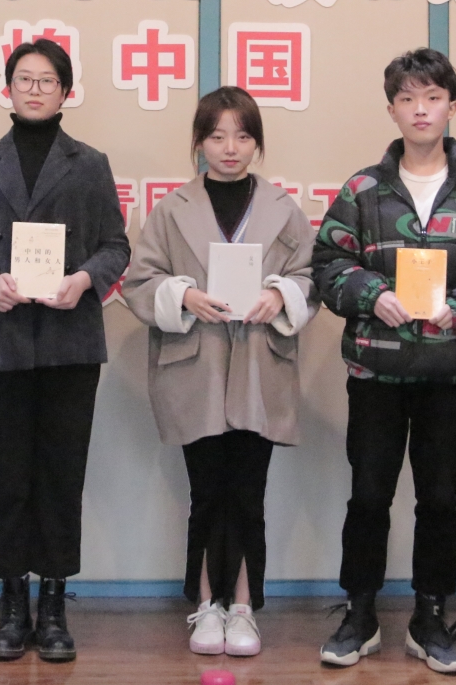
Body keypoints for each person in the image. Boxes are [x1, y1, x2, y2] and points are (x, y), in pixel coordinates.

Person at [312, 47, 456, 674]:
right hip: (375, 372)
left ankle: (431, 616)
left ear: (452, 106)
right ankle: (359, 612)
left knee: (440, 498)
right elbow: (328, 263)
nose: (421, 110)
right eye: (407, 99)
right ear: (392, 110)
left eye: (432, 97)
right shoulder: (363, 189)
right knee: (367, 495)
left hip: (450, 372)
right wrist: (371, 295)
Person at [0, 38, 130, 663]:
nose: (35, 89)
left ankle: (53, 603)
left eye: (48, 80)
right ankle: (12, 602)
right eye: (25, 78)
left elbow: (116, 246)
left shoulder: (91, 163)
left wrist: (85, 280)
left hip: (68, 343)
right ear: (8, 87)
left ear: (65, 91)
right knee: (7, 476)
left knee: (60, 475)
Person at [126, 86, 317, 657]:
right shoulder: (171, 210)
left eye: (243, 135)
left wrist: (279, 295)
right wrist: (184, 296)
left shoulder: (283, 209)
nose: (230, 148)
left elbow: (311, 277)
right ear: (200, 142)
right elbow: (139, 281)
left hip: (260, 365)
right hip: (197, 366)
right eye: (217, 136)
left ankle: (244, 607)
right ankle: (206, 604)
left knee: (249, 493)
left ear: (257, 143)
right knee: (206, 491)